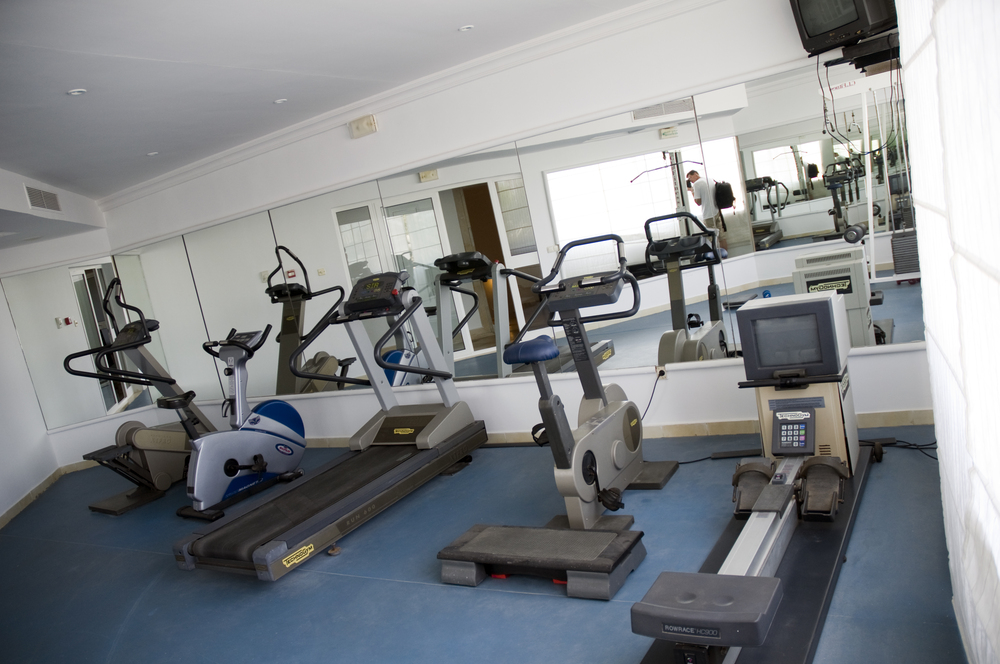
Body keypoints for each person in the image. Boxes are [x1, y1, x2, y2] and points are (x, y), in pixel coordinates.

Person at [686, 170, 728, 252]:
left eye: (690, 177)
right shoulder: (709, 179)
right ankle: (725, 256)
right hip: (716, 211)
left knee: (711, 239)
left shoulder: (697, 184)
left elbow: (698, 202)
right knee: (721, 236)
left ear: (695, 174)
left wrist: (692, 191)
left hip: (708, 215)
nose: (690, 180)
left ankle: (714, 257)